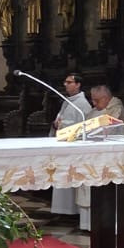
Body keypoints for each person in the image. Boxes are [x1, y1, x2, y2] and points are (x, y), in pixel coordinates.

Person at [50, 73, 93, 223]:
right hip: (63, 145)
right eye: (65, 82)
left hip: (73, 147)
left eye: (69, 82)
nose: (65, 84)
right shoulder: (68, 101)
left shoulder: (83, 104)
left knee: (70, 178)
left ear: (78, 84)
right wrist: (57, 123)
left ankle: (70, 212)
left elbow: (84, 125)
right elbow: (60, 118)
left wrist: (63, 124)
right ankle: (62, 210)